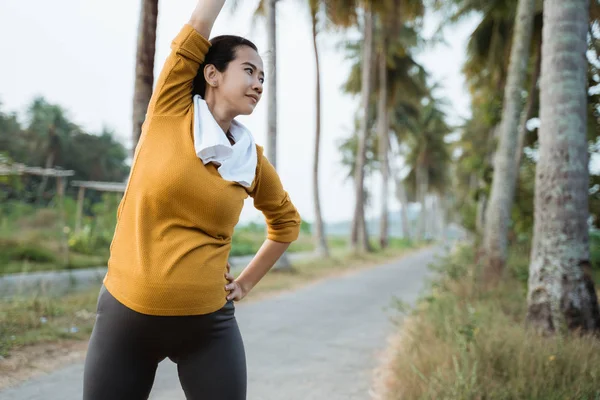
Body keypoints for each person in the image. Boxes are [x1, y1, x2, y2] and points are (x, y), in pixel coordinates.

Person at [82, 1, 301, 399]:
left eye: (263, 78)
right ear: (212, 74)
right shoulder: (169, 110)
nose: (258, 84)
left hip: (208, 327)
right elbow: (200, 21)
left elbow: (286, 224)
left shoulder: (250, 159)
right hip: (127, 316)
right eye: (249, 71)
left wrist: (246, 284)